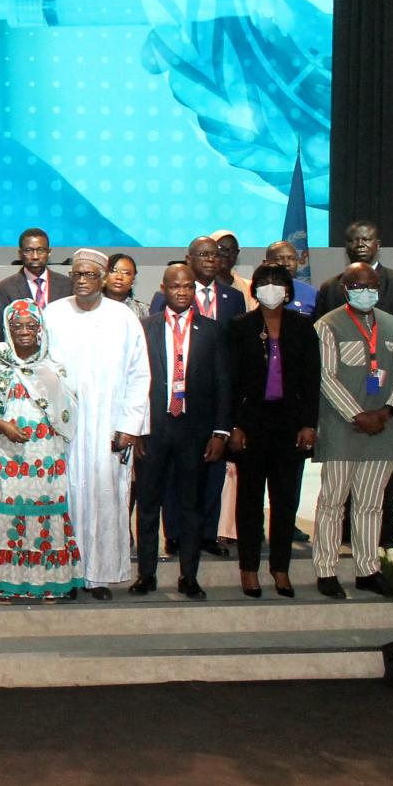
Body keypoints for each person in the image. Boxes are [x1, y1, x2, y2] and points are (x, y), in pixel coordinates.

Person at [0, 300, 85, 601]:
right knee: (8, 515)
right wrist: (3, 425)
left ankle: (46, 582)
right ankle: (2, 581)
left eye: (31, 326)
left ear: (40, 328)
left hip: (45, 456)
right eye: (17, 326)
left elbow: (69, 406)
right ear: (8, 328)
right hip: (6, 455)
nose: (25, 332)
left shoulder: (53, 363)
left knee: (44, 514)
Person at [42, 249, 150, 599]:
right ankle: (67, 575)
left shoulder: (123, 317)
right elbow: (39, 369)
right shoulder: (53, 314)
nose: (83, 280)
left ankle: (99, 576)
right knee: (65, 499)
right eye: (77, 274)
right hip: (64, 427)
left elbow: (138, 373)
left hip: (109, 428)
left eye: (90, 274)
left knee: (106, 500)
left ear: (103, 278)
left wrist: (130, 425)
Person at [130, 263, 232, 601]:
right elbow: (133, 383)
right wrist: (137, 429)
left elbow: (222, 384)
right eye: (176, 286)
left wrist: (219, 432)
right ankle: (146, 574)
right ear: (163, 288)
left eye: (188, 286)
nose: (183, 292)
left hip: (195, 432)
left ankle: (189, 576)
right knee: (148, 505)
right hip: (153, 431)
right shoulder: (145, 328)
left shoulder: (213, 330)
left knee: (191, 507)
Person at [311, 262, 393, 599]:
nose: (365, 293)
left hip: (383, 429)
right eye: (358, 287)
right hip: (343, 427)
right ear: (346, 289)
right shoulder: (327, 325)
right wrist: (358, 415)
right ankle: (326, 571)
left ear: (379, 289)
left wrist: (386, 412)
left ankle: (367, 569)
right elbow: (326, 376)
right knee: (333, 502)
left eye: (371, 287)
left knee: (372, 504)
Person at [228, 263, 319, 597]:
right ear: (254, 289)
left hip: (290, 425)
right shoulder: (240, 327)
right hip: (251, 426)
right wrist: (234, 425)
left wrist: (309, 423)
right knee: (250, 501)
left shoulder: (303, 327)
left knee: (285, 501)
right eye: (264, 282)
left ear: (288, 289)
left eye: (277, 282)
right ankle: (249, 569)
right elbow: (232, 382)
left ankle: (280, 569)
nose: (270, 287)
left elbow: (312, 379)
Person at [151, 236, 244, 558]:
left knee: (212, 473)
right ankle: (175, 534)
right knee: (173, 478)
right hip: (170, 409)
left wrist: (224, 422)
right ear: (189, 258)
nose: (210, 259)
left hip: (208, 405)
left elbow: (231, 362)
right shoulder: (160, 301)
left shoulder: (233, 298)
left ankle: (207, 534)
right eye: (202, 254)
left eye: (215, 254)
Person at [0, 228, 72, 326]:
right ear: (20, 253)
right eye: (28, 250)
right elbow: (1, 329)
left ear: (49, 252)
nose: (35, 256)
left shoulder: (67, 285)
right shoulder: (4, 289)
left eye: (41, 250)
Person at [262, 239, 318, 317]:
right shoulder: (256, 291)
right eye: (279, 258)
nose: (286, 263)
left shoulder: (312, 293)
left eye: (291, 258)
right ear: (266, 263)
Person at [212, 230, 254, 304]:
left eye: (232, 250)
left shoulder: (249, 287)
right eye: (221, 249)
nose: (227, 254)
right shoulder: (197, 286)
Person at [104, 253, 148, 319]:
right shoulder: (90, 306)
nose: (119, 277)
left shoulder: (144, 310)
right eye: (113, 271)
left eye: (126, 273)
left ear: (133, 280)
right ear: (104, 276)